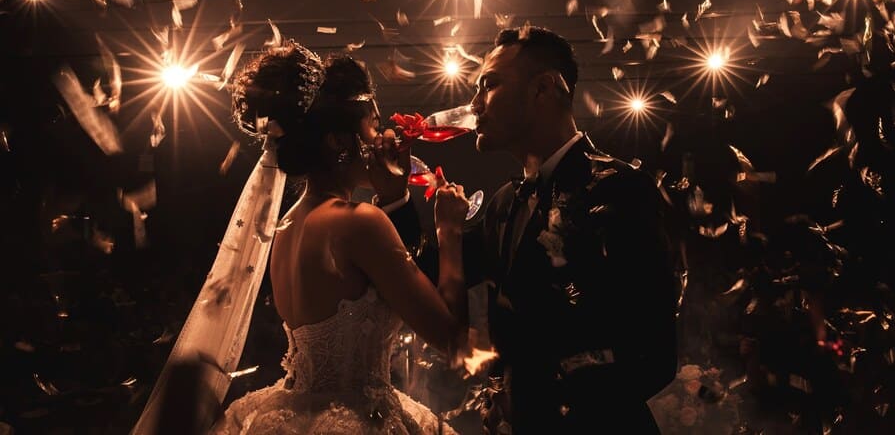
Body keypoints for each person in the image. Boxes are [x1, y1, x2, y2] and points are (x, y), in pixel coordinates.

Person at [419, 25, 679, 433]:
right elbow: (423, 279)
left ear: (544, 88)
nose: (474, 105)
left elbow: (654, 353)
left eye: (489, 85)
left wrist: (543, 407)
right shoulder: (504, 203)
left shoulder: (621, 189)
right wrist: (393, 196)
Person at [202, 41, 472, 434]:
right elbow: (451, 341)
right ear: (339, 142)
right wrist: (449, 230)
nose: (385, 137)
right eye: (374, 125)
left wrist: (393, 199)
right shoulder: (358, 223)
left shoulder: (287, 226)